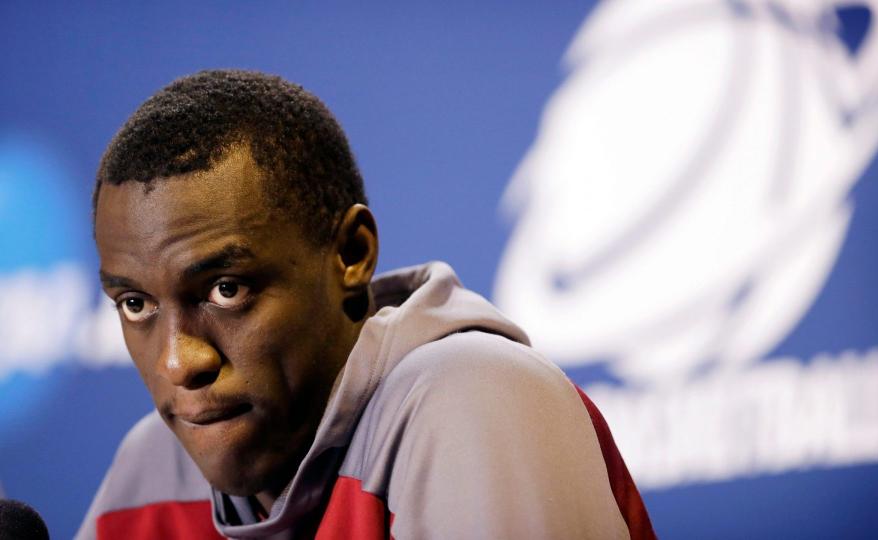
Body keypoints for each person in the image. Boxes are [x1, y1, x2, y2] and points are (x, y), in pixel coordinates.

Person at [77, 70, 655, 540]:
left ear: (351, 253)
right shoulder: (152, 471)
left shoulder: (472, 396)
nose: (178, 363)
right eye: (135, 304)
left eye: (227, 290)